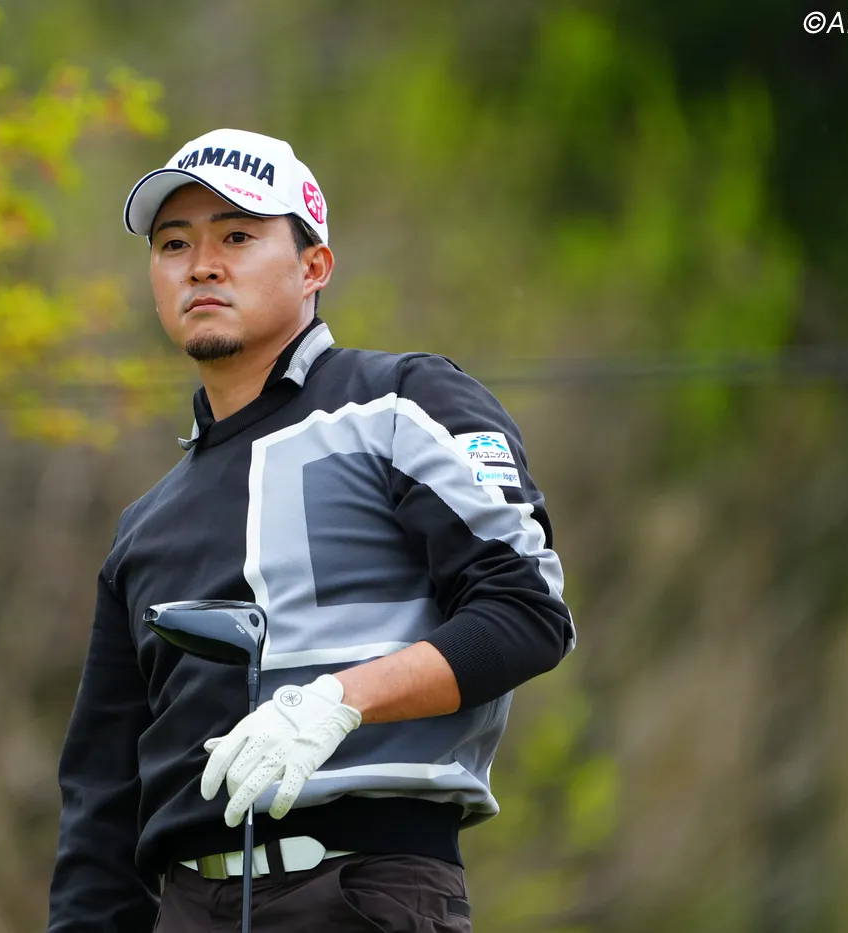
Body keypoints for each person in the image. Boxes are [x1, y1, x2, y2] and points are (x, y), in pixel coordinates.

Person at [46, 128, 576, 933]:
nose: (201, 264)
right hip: (185, 907)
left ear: (314, 267)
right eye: (174, 243)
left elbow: (527, 612)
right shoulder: (142, 527)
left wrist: (339, 699)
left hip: (367, 890)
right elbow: (101, 801)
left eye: (237, 236)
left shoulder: (401, 403)